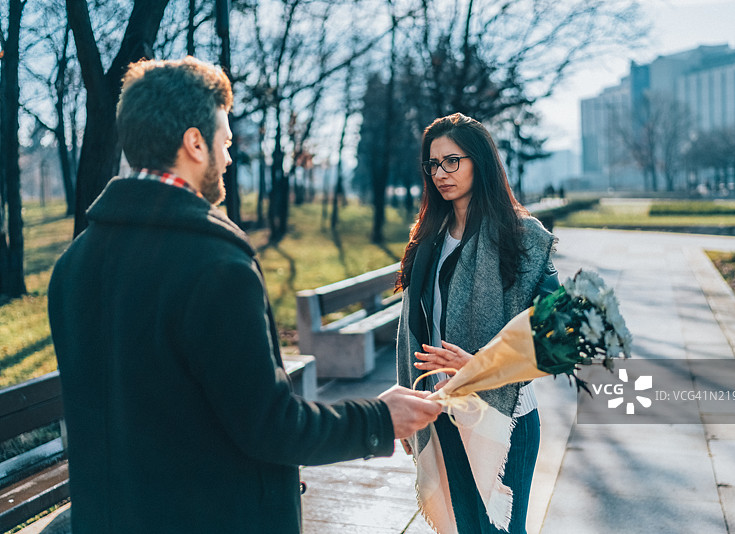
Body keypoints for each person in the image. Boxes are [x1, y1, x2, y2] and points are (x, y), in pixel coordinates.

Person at [47, 57, 441, 534]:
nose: (229, 158)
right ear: (195, 143)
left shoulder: (73, 264)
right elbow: (272, 428)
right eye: (224, 141)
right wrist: (380, 418)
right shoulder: (214, 266)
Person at [395, 113, 558, 533]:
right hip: (441, 409)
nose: (441, 173)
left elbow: (555, 331)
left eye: (453, 161)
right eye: (433, 164)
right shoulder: (428, 237)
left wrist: (481, 365)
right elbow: (415, 326)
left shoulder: (523, 235)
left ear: (479, 161)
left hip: (503, 417)